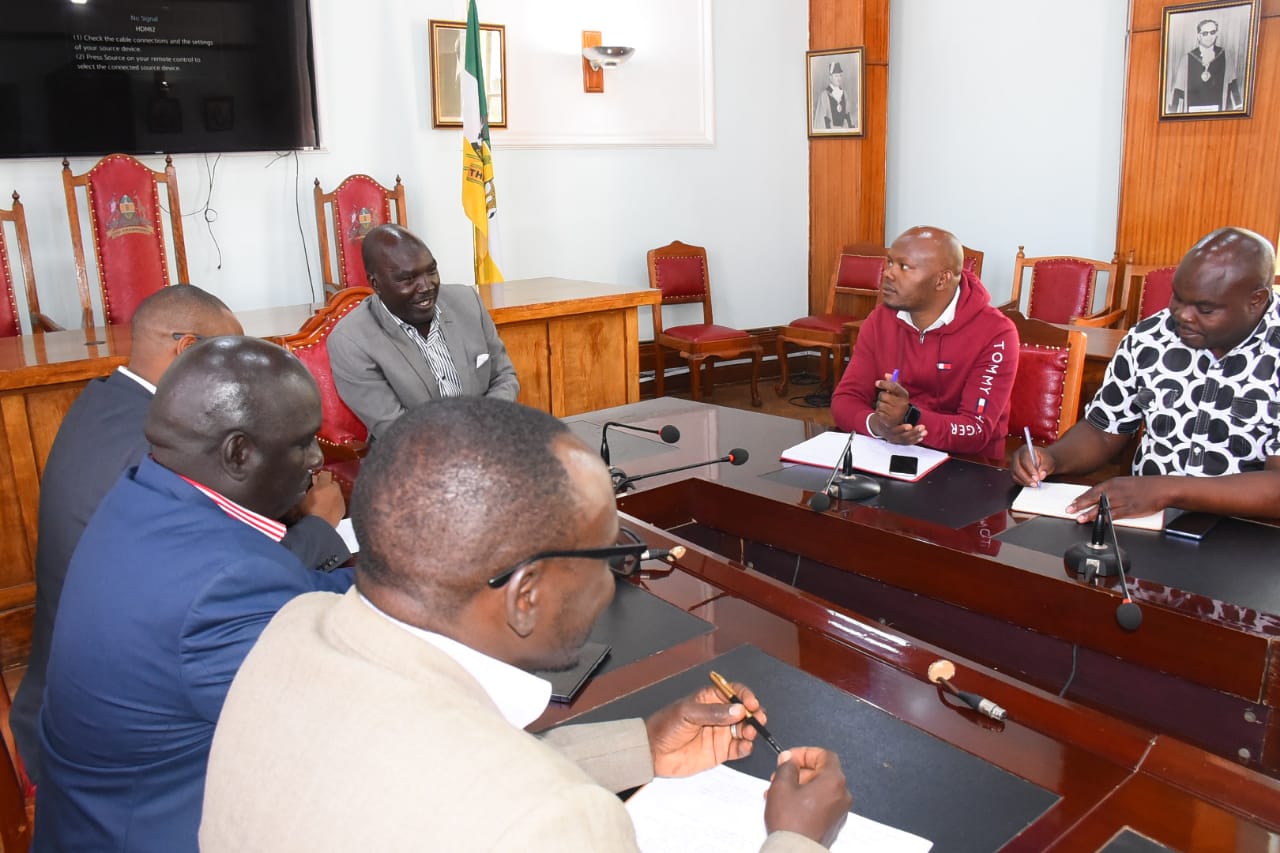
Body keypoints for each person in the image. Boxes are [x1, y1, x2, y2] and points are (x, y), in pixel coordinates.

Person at [200, 397, 852, 851]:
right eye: (609, 554)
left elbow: (436, 784)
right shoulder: (554, 822)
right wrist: (795, 835)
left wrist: (644, 747)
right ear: (525, 595)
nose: (617, 578)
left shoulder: (295, 626)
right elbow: (512, 807)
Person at [10, 284, 349, 786]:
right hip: (131, 764)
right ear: (189, 352)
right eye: (226, 357)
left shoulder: (102, 402)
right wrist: (321, 527)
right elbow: (240, 575)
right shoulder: (146, 449)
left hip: (79, 698)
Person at [1010, 226, 1280, 521]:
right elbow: (1102, 431)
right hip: (1148, 522)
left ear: (1256, 300)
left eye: (1205, 309)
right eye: (1178, 298)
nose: (1182, 316)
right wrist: (1053, 458)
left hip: (1249, 534)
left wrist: (1168, 490)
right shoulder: (1150, 337)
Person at [831, 226, 1019, 460]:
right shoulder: (880, 320)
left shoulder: (995, 332)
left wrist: (910, 417)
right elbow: (845, 400)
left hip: (966, 466)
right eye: (890, 262)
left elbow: (976, 430)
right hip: (888, 454)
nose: (888, 273)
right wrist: (879, 426)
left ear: (941, 280)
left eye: (904, 266)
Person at [328, 223, 519, 441]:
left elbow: (504, 377)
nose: (426, 286)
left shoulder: (467, 302)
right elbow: (395, 428)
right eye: (408, 279)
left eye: (431, 271)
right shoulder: (352, 341)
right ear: (376, 283)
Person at [1168, 18, 1242, 113]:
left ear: (1216, 34)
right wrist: (1172, 113)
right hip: (1192, 114)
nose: (1209, 36)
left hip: (1219, 113)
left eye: (1212, 32)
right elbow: (1178, 90)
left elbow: (1233, 87)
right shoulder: (1187, 59)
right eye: (1205, 33)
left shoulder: (1225, 56)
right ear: (1198, 36)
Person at [812, 61, 855, 131]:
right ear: (830, 77)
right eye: (836, 76)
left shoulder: (844, 94)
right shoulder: (824, 95)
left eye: (840, 75)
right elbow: (821, 121)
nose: (839, 79)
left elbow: (848, 115)